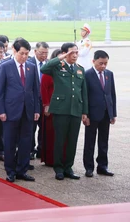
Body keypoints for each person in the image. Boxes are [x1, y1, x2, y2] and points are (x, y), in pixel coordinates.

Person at [41, 43, 88, 181]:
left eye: (76, 52)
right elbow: (44, 68)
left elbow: (83, 92)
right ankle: (59, 168)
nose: (74, 55)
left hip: (76, 109)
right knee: (60, 140)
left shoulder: (80, 69)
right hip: (61, 109)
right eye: (71, 53)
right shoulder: (56, 67)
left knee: (72, 140)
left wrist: (84, 111)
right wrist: (60, 58)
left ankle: (68, 167)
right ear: (64, 53)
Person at [0, 38, 40, 183]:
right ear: (14, 51)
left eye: (27, 54)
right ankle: (10, 170)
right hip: (10, 110)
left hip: (27, 110)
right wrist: (1, 110)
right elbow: (0, 91)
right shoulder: (5, 66)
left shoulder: (31, 66)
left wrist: (36, 110)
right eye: (21, 53)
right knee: (9, 141)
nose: (24, 57)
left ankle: (22, 170)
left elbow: (35, 90)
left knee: (26, 141)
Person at [83, 50, 117, 177]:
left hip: (106, 113)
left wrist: (113, 113)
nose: (103, 66)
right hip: (92, 114)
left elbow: (112, 94)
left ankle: (102, 166)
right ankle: (89, 167)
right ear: (94, 61)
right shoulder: (87, 75)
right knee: (89, 142)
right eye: (100, 63)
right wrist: (85, 114)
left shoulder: (109, 74)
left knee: (103, 142)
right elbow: (85, 96)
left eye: (105, 63)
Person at [40, 49, 61, 166]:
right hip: (51, 107)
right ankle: (50, 158)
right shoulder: (49, 72)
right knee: (50, 133)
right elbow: (44, 89)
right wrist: (46, 105)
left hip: (62, 107)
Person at [29, 42, 49, 159]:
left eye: (46, 53)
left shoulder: (49, 64)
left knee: (44, 127)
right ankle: (30, 149)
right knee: (31, 127)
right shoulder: (29, 63)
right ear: (35, 51)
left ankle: (41, 149)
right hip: (32, 100)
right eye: (42, 53)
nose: (44, 56)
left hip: (45, 101)